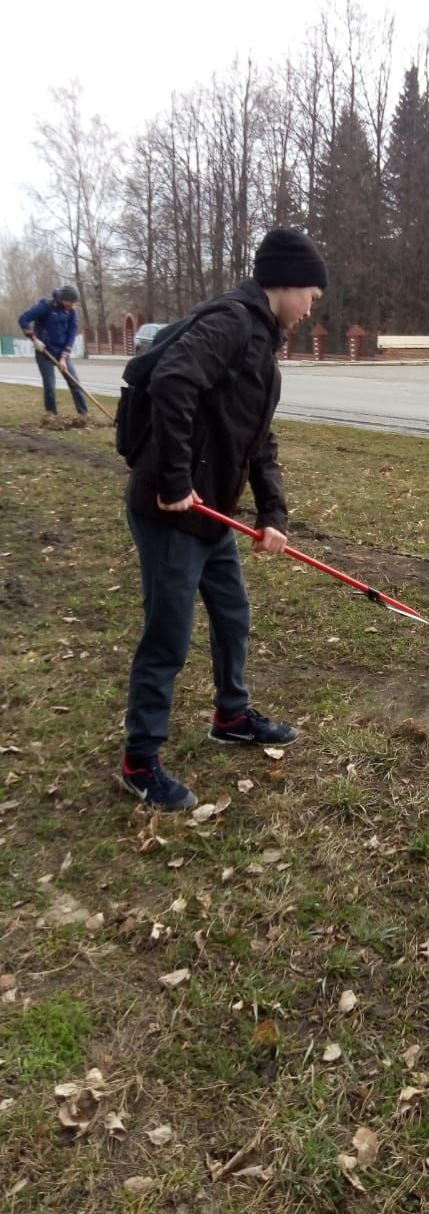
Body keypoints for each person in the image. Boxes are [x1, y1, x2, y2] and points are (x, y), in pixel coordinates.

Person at [121, 228, 328, 811]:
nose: (312, 307)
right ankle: (140, 761)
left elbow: (257, 441)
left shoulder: (263, 347)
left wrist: (273, 512)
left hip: (213, 517)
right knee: (168, 636)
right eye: (310, 293)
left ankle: (231, 716)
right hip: (172, 513)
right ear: (283, 284)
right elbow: (172, 380)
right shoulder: (232, 323)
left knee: (233, 614)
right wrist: (175, 481)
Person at [18, 285, 89, 422]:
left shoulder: (71, 312)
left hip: (62, 352)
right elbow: (23, 319)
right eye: (72, 302)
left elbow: (71, 333)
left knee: (75, 382)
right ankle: (51, 416)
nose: (74, 305)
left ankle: (84, 415)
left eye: (75, 303)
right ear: (64, 299)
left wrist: (64, 357)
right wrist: (33, 339)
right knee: (50, 385)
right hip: (44, 352)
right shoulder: (46, 306)